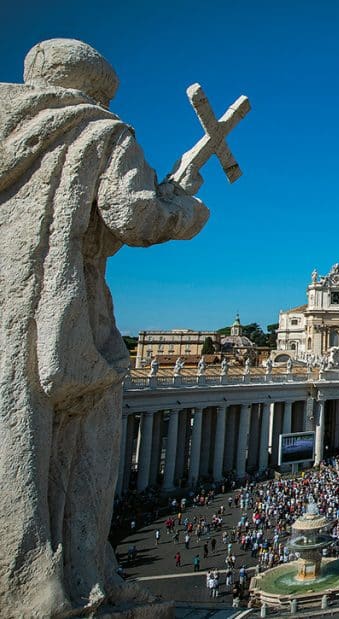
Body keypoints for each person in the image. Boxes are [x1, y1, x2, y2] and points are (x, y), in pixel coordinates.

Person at [0, 39, 212, 617]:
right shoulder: (97, 129)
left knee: (18, 452)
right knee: (83, 444)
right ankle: (82, 578)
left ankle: (30, 587)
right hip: (63, 314)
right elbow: (133, 217)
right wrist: (186, 206)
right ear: (98, 88)